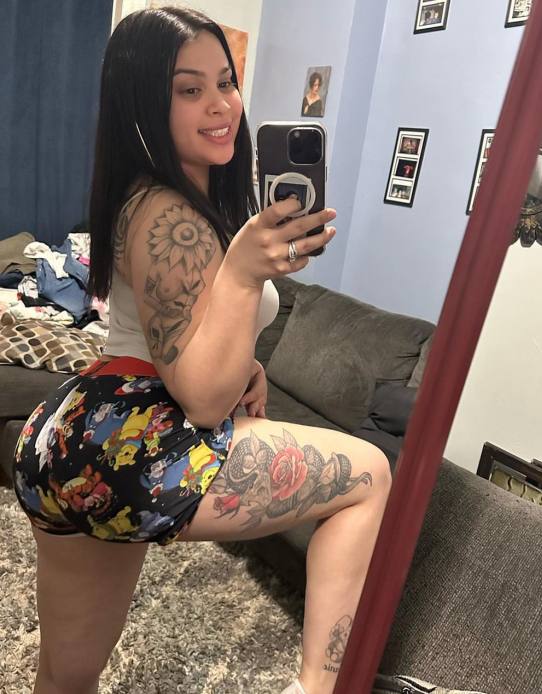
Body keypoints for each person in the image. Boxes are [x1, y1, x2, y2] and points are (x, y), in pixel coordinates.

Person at [10, 6, 391, 694]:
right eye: (190, 89)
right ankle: (319, 688)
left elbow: (174, 334)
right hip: (132, 439)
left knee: (67, 674)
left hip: (68, 437)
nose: (221, 106)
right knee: (368, 476)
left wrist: (247, 360)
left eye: (226, 82)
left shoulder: (148, 198)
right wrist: (243, 275)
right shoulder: (172, 214)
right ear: (143, 105)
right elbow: (204, 399)